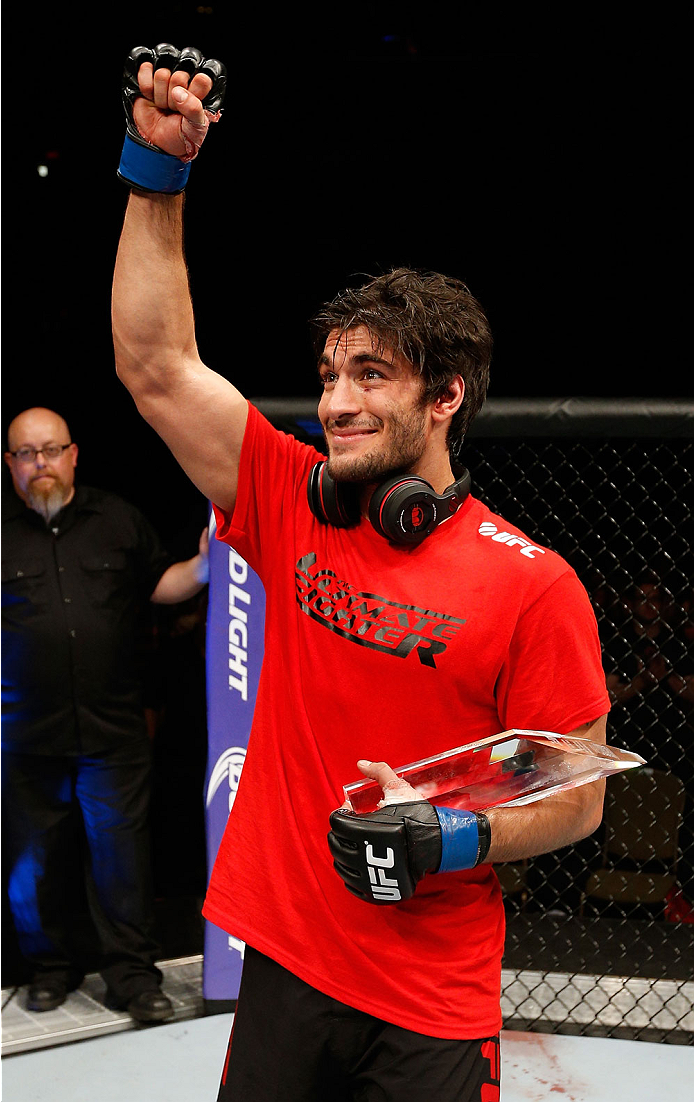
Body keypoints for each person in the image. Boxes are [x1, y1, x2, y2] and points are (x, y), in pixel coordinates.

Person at [111, 45, 611, 1100]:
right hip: (288, 969)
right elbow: (155, 364)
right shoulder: (294, 503)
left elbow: (576, 799)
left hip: (431, 1001)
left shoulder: (532, 583)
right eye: (330, 374)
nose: (336, 401)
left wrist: (455, 833)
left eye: (370, 375)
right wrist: (158, 172)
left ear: (446, 398)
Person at [2, 406, 209, 1022]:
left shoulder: (115, 519)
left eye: (51, 449)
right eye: (26, 452)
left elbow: (159, 585)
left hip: (111, 733)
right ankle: (49, 970)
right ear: (10, 464)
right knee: (33, 868)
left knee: (121, 862)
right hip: (22, 737)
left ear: (73, 455)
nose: (41, 461)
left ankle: (131, 977)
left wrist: (201, 564)